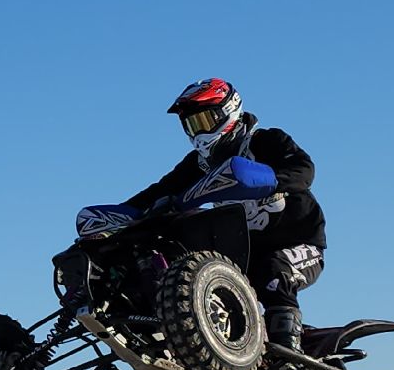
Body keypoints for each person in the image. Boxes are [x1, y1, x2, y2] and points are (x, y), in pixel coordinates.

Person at [81, 78, 327, 352]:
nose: (198, 131)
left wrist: (264, 179)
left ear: (229, 111)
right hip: (240, 254)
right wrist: (120, 217)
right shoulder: (197, 164)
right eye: (191, 124)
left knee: (272, 273)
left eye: (205, 120)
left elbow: (304, 170)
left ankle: (289, 354)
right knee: (186, 271)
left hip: (297, 242)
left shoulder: (267, 140)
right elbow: (158, 193)